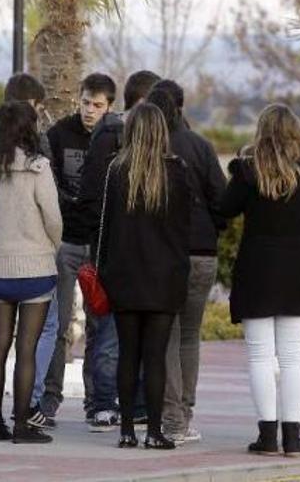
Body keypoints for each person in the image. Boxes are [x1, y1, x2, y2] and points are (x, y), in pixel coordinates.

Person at [59, 70, 162, 433]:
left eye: (96, 104)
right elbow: (91, 197)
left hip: (109, 248)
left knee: (113, 331)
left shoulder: (123, 142)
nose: (89, 110)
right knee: (108, 330)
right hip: (108, 250)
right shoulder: (113, 140)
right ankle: (104, 403)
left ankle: (111, 404)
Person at [220, 104, 300, 457]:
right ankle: (293, 437)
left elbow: (224, 208)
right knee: (294, 357)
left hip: (257, 267)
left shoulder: (248, 171)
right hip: (296, 267)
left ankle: (267, 434)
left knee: (260, 356)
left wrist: (234, 169)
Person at [98, 102, 191, 449]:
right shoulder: (176, 172)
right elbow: (184, 230)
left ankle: (126, 430)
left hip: (123, 275)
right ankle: (154, 430)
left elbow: (104, 227)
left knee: (128, 354)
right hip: (164, 277)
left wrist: (104, 270)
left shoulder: (117, 170)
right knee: (155, 357)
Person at [0, 72, 58, 431]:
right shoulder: (38, 167)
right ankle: (22, 423)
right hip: (35, 268)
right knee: (26, 350)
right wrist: (51, 246)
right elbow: (53, 216)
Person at [149, 81, 227, 445]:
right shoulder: (200, 147)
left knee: (167, 337)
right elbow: (222, 200)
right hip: (201, 252)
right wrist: (211, 228)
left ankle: (172, 418)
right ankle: (187, 410)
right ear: (181, 107)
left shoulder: (146, 151)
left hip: (162, 255)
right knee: (190, 336)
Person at [42, 73, 120, 430]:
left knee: (102, 324)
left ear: (110, 107)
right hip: (64, 242)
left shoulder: (117, 138)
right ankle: (48, 401)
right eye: (86, 102)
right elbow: (49, 184)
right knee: (56, 324)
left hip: (101, 245)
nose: (89, 110)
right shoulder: (59, 135)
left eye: (98, 105)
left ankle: (101, 402)